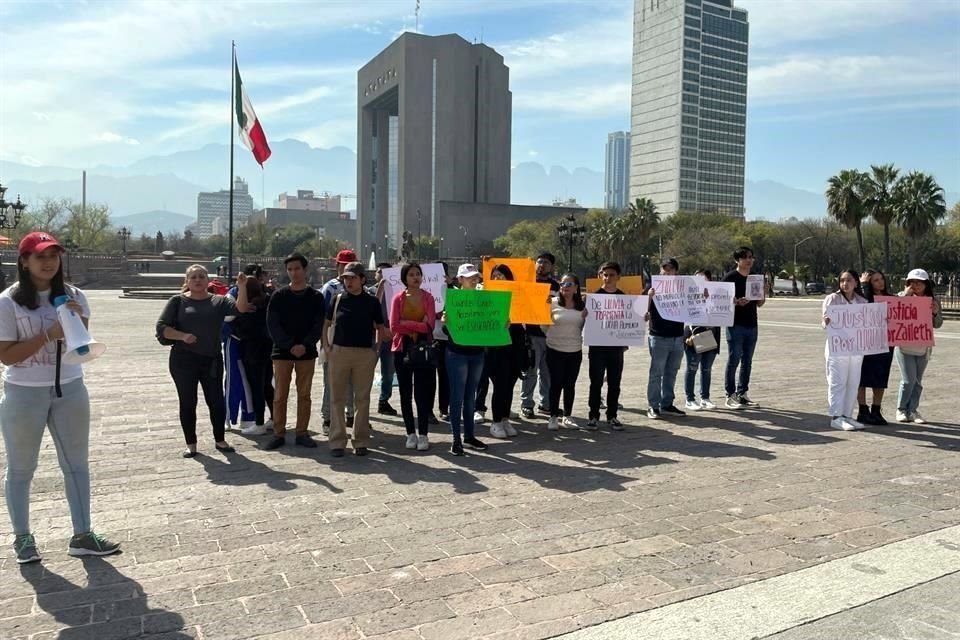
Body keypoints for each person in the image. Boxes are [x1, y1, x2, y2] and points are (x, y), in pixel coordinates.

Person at [0, 232, 121, 563]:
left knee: (77, 465)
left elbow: (81, 346)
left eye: (54, 256)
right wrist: (46, 335)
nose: (49, 262)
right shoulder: (8, 302)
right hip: (24, 393)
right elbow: (7, 356)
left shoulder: (75, 295)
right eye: (40, 256)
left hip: (70, 388)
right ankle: (23, 537)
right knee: (22, 468)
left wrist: (76, 321)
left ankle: (82, 534)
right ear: (24, 262)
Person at [157, 265, 250, 457]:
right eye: (193, 277)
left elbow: (240, 309)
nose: (198, 280)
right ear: (187, 281)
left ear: (208, 280)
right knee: (188, 401)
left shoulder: (218, 301)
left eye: (201, 277)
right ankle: (191, 444)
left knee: (215, 401)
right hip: (183, 360)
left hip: (211, 360)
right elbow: (161, 327)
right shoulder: (177, 301)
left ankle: (220, 440)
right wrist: (182, 336)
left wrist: (242, 287)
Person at [323, 262, 386, 457]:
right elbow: (325, 324)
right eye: (345, 278)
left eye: (352, 278)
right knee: (337, 398)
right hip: (340, 352)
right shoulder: (338, 299)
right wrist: (327, 347)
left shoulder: (372, 302)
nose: (348, 281)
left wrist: (376, 349)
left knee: (362, 399)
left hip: (364, 354)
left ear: (362, 279)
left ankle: (360, 440)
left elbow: (380, 327)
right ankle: (337, 441)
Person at [262, 253, 325, 450]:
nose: (293, 273)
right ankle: (278, 432)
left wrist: (305, 345)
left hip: (306, 353)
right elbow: (272, 324)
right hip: (282, 352)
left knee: (304, 394)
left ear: (304, 270)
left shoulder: (316, 297)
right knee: (280, 394)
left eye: (297, 268)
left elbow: (318, 324)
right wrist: (289, 345)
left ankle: (302, 432)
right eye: (290, 269)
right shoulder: (279, 296)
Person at [389, 262, 438, 451]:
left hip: (423, 349)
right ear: (405, 278)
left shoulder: (428, 298)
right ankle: (410, 433)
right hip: (402, 349)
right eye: (411, 274)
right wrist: (417, 325)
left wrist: (407, 323)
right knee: (405, 393)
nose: (415, 277)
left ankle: (424, 434)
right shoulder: (398, 299)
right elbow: (394, 326)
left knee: (422, 393)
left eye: (418, 274)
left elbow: (430, 326)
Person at [441, 264, 488, 455]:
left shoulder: (484, 299)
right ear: (460, 280)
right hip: (457, 352)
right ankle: (456, 439)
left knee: (470, 396)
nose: (474, 280)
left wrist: (503, 322)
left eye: (476, 277)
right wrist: (446, 322)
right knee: (457, 396)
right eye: (469, 277)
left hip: (476, 353)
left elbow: (489, 323)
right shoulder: (453, 300)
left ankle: (469, 436)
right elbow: (446, 329)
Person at [894, 269, 944, 424]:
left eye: (919, 282)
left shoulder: (932, 300)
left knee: (917, 381)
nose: (915, 285)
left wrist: (935, 313)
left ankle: (913, 410)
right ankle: (901, 409)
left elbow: (938, 324)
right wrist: (906, 297)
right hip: (904, 345)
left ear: (925, 284)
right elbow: (893, 315)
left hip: (923, 346)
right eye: (912, 282)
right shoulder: (901, 297)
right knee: (908, 380)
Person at [822, 269, 868, 431]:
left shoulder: (862, 302)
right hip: (838, 348)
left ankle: (847, 415)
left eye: (849, 280)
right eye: (842, 280)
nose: (845, 284)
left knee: (853, 382)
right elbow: (824, 322)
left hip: (856, 348)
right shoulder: (833, 299)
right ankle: (836, 416)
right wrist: (826, 321)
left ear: (856, 283)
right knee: (837, 382)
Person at [486, 264, 528, 439]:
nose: (498, 279)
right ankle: (495, 422)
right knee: (500, 384)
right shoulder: (487, 297)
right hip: (496, 347)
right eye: (494, 275)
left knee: (510, 384)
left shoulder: (517, 296)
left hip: (515, 345)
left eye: (501, 275)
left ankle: (504, 418)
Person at [320, 249, 358, 434]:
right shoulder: (330, 288)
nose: (347, 270)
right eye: (344, 266)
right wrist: (325, 344)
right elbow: (323, 317)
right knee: (330, 381)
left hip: (354, 341)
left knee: (353, 381)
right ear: (338, 266)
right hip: (333, 339)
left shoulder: (361, 288)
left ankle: (351, 414)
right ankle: (327, 417)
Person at [723, 246, 765, 409]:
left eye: (751, 257)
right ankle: (730, 394)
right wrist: (735, 301)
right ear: (737, 260)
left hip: (751, 324)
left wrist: (763, 294)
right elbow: (720, 299)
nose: (749, 260)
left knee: (747, 361)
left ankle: (743, 393)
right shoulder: (730, 277)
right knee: (734, 359)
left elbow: (760, 303)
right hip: (735, 324)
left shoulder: (755, 279)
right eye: (745, 257)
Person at [232, 275, 274, 435]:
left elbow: (240, 328)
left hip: (251, 350)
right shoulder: (267, 301)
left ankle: (259, 422)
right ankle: (275, 418)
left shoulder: (246, 307)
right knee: (267, 385)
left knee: (256, 387)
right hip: (267, 348)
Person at [646, 258, 687, 420]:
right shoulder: (653, 288)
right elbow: (641, 311)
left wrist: (703, 295)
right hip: (659, 336)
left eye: (671, 269)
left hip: (677, 337)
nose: (667, 272)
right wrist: (649, 297)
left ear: (676, 271)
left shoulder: (683, 288)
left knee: (672, 372)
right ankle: (653, 405)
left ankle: (667, 403)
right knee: (656, 373)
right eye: (664, 269)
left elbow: (695, 304)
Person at [545, 273, 587, 431]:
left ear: (576, 288)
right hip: (554, 349)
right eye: (562, 284)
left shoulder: (583, 306)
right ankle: (553, 416)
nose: (565, 287)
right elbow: (543, 323)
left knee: (570, 384)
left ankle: (568, 416)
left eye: (569, 284)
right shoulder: (552, 303)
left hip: (575, 350)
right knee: (555, 384)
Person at [520, 252, 560, 418]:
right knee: (530, 371)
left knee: (547, 372)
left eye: (546, 262)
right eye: (539, 262)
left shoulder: (556, 286)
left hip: (550, 335)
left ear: (552, 267)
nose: (542, 265)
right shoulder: (527, 283)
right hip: (531, 334)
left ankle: (546, 404)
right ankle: (526, 403)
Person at [588, 261, 626, 430]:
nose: (608, 278)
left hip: (616, 348)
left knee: (614, 383)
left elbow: (630, 320)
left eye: (612, 275)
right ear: (600, 276)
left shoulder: (625, 298)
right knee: (596, 382)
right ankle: (593, 416)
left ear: (618, 277)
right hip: (597, 347)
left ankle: (612, 415)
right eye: (605, 275)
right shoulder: (593, 297)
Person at [856, 269, 894, 425]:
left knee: (880, 377)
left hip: (885, 343)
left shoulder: (891, 298)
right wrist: (864, 285)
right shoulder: (863, 298)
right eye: (875, 280)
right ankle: (862, 410)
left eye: (881, 279)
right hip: (866, 343)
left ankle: (876, 410)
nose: (880, 282)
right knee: (863, 377)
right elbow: (865, 306)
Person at [684, 269, 721, 411]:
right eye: (697, 279)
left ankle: (705, 398)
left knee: (706, 369)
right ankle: (690, 399)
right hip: (694, 335)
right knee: (692, 367)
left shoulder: (716, 295)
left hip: (710, 334)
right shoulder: (688, 296)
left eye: (704, 279)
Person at [372, 262, 398, 416]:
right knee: (366, 371)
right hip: (374, 337)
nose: (382, 274)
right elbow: (371, 310)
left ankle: (384, 400)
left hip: (391, 337)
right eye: (379, 271)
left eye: (386, 271)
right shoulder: (369, 291)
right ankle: (361, 403)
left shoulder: (397, 292)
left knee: (388, 371)